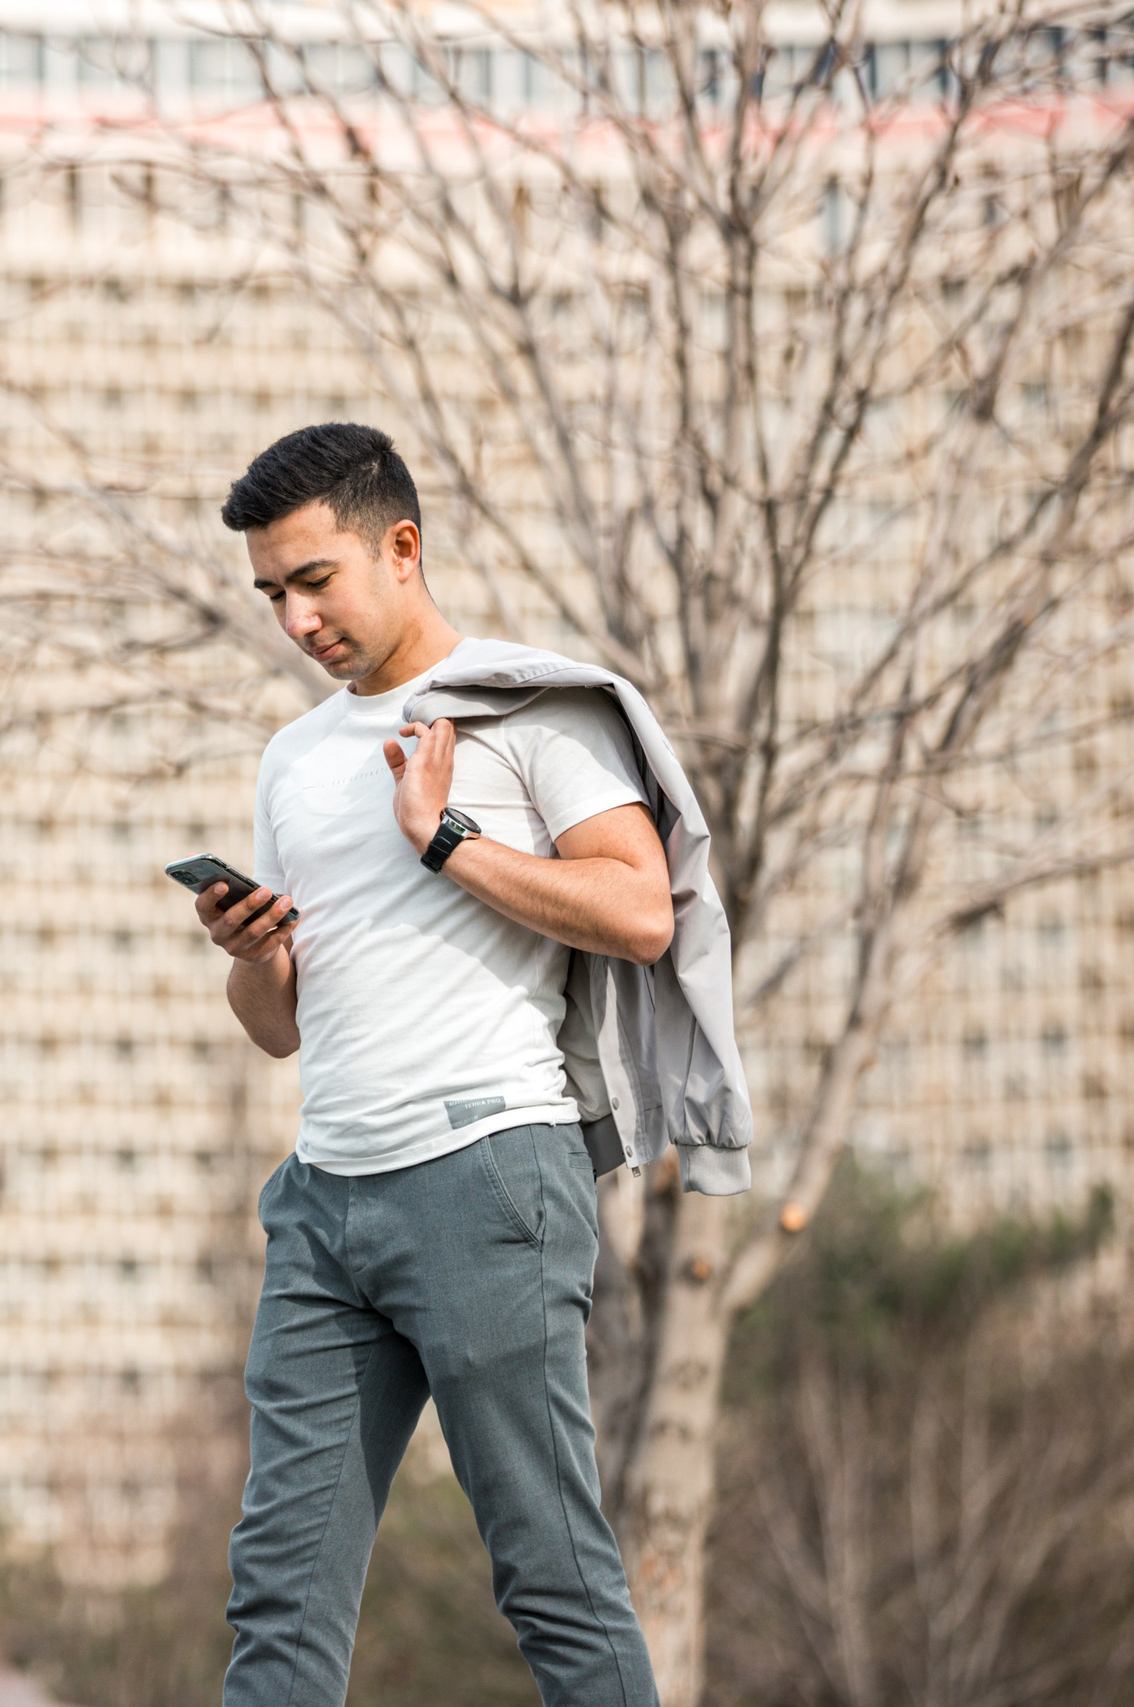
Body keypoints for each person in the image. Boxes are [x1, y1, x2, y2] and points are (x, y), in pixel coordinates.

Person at [199, 422, 739, 1707]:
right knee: (277, 1594)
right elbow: (281, 1026)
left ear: (401, 546)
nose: (295, 619)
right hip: (326, 1197)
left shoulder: (529, 709)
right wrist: (249, 951)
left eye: (313, 580)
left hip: (486, 1178)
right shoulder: (293, 759)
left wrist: (444, 840)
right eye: (272, 592)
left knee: (549, 1574)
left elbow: (639, 909)